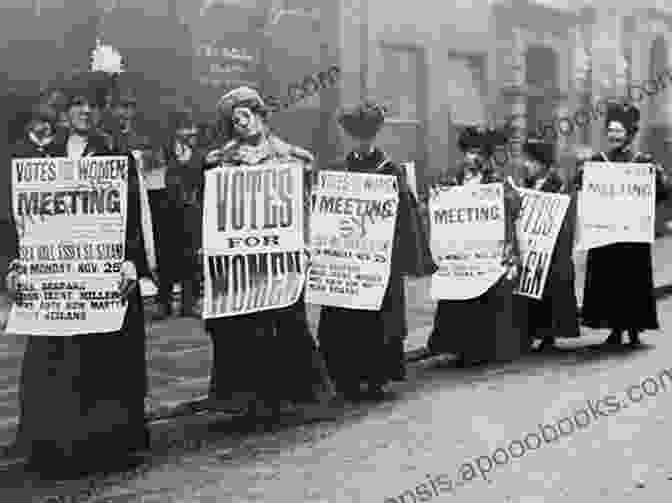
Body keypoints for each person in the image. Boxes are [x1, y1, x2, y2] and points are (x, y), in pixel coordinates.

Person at [6, 72, 151, 478]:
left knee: (103, 361)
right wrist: (17, 264)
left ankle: (104, 445)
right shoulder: (43, 157)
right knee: (56, 359)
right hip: (57, 279)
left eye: (92, 105)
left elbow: (133, 217)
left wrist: (131, 261)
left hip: (102, 275)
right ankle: (55, 443)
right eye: (77, 105)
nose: (85, 112)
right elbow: (23, 219)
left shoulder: (115, 154)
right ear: (65, 111)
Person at [203, 86, 334, 418]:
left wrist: (307, 244)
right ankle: (251, 399)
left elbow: (306, 206)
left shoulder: (294, 158)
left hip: (284, 256)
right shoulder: (222, 161)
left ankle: (297, 394)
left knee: (287, 319)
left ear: (261, 115)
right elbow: (213, 212)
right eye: (234, 121)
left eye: (246, 116)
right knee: (245, 326)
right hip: (242, 259)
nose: (242, 124)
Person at [316, 100, 430, 401]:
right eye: (356, 138)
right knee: (344, 319)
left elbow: (407, 217)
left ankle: (376, 377)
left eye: (366, 138)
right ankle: (345, 376)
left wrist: (406, 258)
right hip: (346, 261)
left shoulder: (391, 171)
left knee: (378, 322)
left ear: (374, 138)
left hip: (381, 261)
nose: (361, 144)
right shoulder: (338, 171)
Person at [426, 127, 525, 367]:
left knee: (486, 296)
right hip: (460, 251)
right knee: (458, 296)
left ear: (488, 156)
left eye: (479, 153)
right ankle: (456, 345)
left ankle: (485, 347)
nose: (474, 158)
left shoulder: (497, 180)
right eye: (470, 152)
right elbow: (435, 208)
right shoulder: (451, 179)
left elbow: (515, 205)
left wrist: (504, 196)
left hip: (486, 251)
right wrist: (436, 197)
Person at [575, 101, 668, 346]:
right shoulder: (598, 161)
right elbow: (581, 186)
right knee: (609, 281)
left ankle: (634, 329)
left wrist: (655, 178)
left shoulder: (643, 162)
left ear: (628, 134)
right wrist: (582, 173)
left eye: (618, 131)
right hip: (606, 234)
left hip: (632, 235)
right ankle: (615, 329)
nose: (614, 135)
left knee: (632, 280)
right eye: (610, 131)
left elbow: (662, 193)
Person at [521, 134, 580, 351]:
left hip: (552, 249)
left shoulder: (558, 185)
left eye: (531, 161)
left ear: (543, 164)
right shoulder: (527, 183)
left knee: (549, 291)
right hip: (532, 246)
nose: (526, 165)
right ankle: (530, 331)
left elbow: (566, 216)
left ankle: (548, 333)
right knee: (528, 290)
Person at [163, 110, 204, 318]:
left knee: (192, 259)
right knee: (168, 259)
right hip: (167, 212)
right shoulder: (164, 152)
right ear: (177, 131)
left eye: (193, 128)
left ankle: (189, 303)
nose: (193, 132)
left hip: (192, 212)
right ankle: (165, 303)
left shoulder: (200, 154)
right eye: (187, 128)